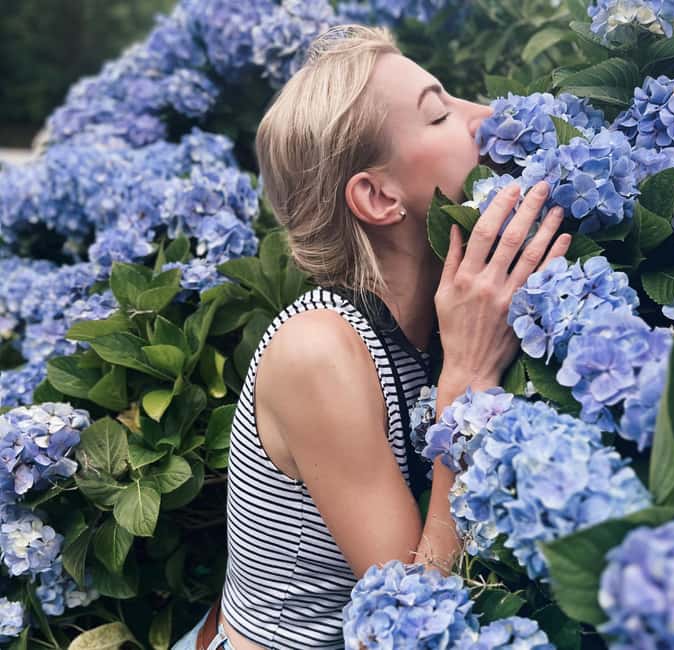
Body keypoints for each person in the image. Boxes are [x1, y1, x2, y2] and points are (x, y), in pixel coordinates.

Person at [172, 23, 570, 650]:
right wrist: (467, 382)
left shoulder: (435, 320)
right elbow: (412, 619)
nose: (487, 116)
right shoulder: (320, 350)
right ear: (379, 196)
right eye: (440, 113)